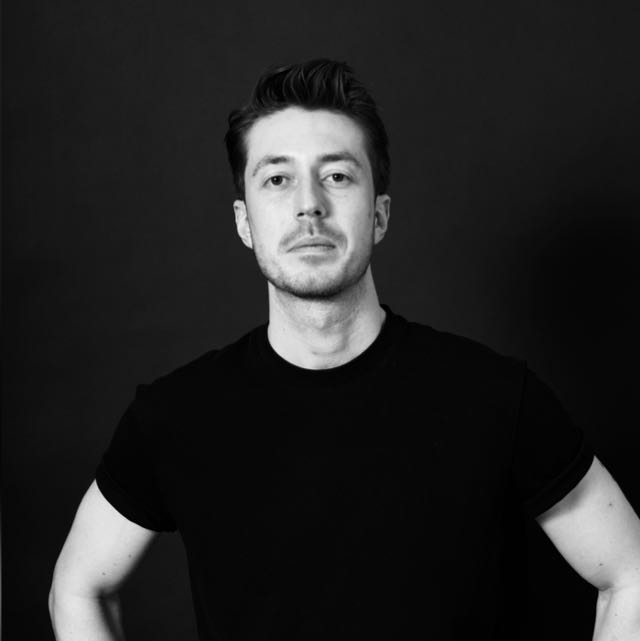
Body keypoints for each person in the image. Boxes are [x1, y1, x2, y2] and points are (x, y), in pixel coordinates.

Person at [49, 59, 640, 641]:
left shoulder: (496, 398)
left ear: (379, 214)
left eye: (336, 175)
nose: (309, 203)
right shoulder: (175, 415)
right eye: (277, 179)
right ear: (244, 223)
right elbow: (77, 590)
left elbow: (631, 573)